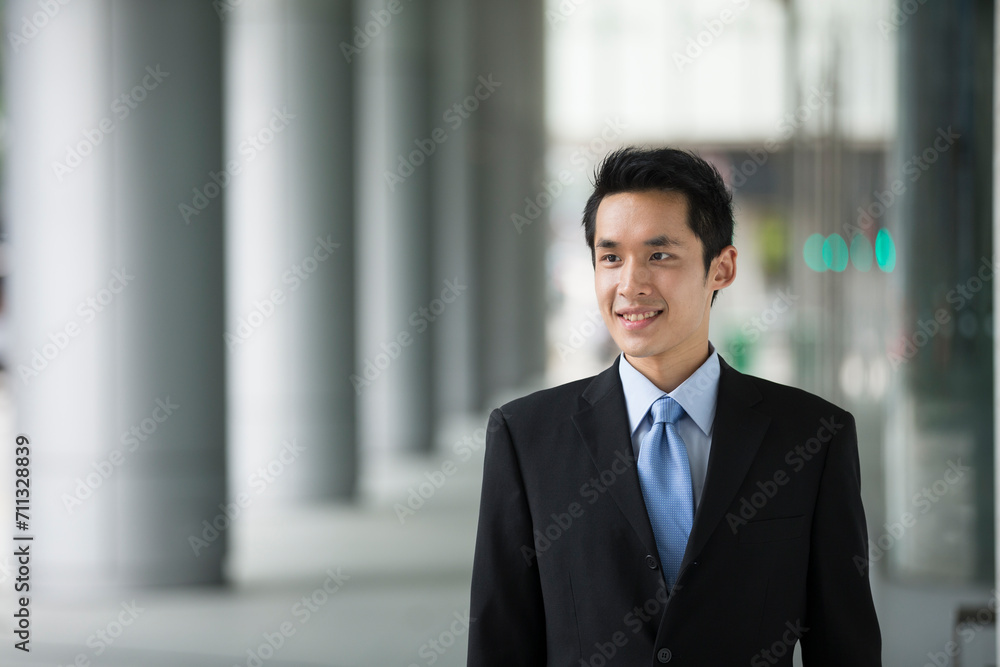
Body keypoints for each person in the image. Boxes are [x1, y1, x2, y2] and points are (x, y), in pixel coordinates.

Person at [467, 146, 881, 666]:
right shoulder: (525, 438)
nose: (630, 284)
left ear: (722, 268)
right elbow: (499, 644)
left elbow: (846, 646)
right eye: (611, 256)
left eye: (659, 255)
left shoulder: (813, 437)